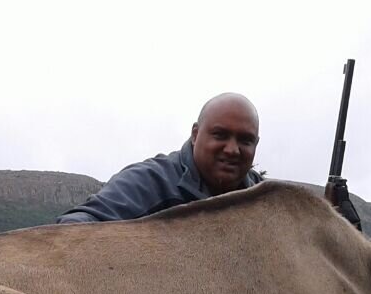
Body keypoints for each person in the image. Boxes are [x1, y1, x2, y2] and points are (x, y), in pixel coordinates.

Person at [57, 93, 262, 223]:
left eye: (245, 140)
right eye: (220, 135)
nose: (232, 150)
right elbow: (72, 227)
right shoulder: (150, 182)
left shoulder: (265, 199)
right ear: (195, 134)